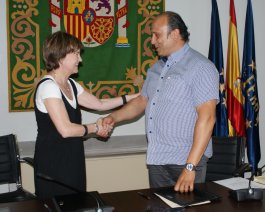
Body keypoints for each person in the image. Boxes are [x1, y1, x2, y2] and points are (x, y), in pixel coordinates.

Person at [101, 11, 219, 193]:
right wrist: (113, 117)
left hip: (185, 161)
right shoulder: (157, 68)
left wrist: (190, 167)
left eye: (156, 35)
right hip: (157, 159)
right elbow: (142, 101)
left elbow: (208, 118)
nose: (152, 41)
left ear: (175, 34)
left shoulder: (201, 67)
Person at [34, 31, 138, 199]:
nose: (80, 60)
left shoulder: (71, 84)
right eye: (76, 54)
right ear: (61, 56)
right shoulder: (48, 87)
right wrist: (96, 127)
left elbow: (99, 104)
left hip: (73, 160)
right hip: (53, 164)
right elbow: (66, 130)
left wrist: (133, 97)